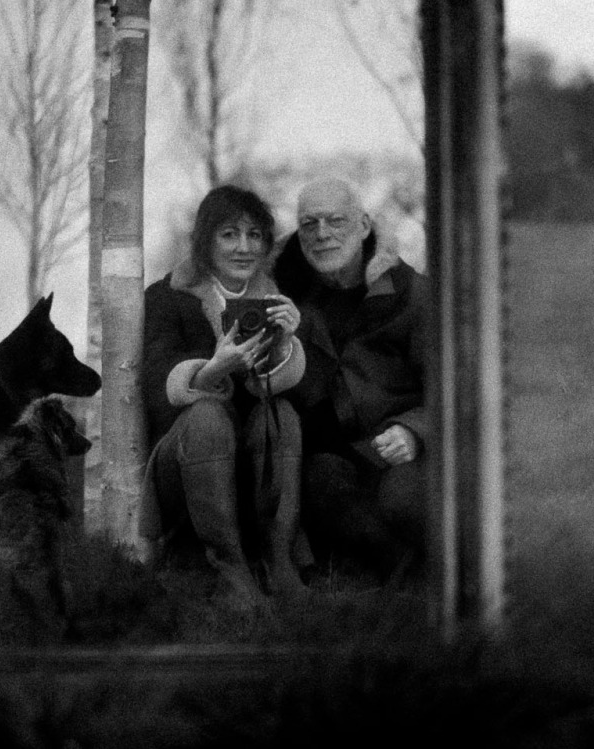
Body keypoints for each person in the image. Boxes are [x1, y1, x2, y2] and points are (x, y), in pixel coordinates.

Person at [141, 184, 309, 607]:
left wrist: (287, 343)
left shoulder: (275, 299)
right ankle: (230, 571)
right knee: (208, 417)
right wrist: (215, 369)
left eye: (255, 235)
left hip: (248, 467)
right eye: (229, 234)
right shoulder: (166, 297)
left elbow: (300, 396)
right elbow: (157, 392)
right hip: (183, 461)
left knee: (283, 414)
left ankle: (279, 562)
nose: (244, 247)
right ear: (205, 241)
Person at [273, 178, 427, 580]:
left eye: (335, 221)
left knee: (403, 501)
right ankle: (398, 580)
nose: (322, 234)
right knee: (320, 482)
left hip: (405, 450)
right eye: (309, 224)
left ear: (364, 225)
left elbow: (454, 386)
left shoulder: (411, 293)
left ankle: (420, 583)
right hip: (335, 456)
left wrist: (414, 432)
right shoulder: (287, 297)